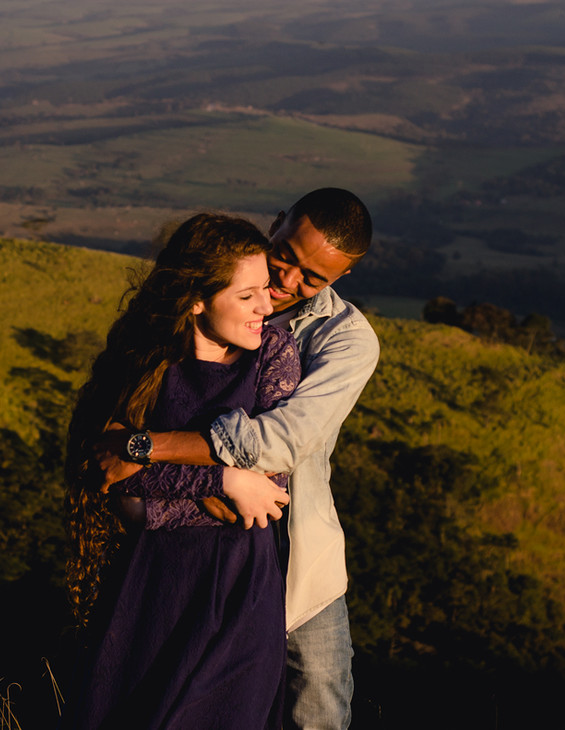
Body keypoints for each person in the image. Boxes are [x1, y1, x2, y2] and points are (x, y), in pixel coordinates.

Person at [97, 187, 379, 730]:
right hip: (189, 560)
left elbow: (279, 443)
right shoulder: (218, 279)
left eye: (312, 278)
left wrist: (146, 446)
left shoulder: (347, 341)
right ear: (277, 224)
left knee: (316, 709)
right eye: (286, 257)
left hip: (299, 561)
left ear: (340, 279)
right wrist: (212, 482)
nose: (287, 282)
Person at [62, 213, 302, 730]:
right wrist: (223, 480)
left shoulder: (274, 358)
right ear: (196, 298)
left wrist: (149, 495)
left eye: (266, 289)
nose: (267, 306)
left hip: (241, 591)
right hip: (150, 591)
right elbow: (106, 470)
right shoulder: (144, 360)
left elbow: (271, 489)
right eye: (247, 295)